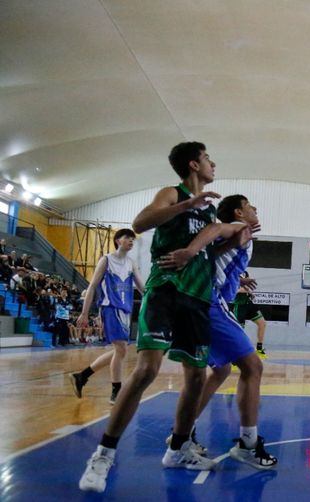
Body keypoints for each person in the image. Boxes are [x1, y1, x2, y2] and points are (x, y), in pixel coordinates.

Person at [78, 141, 221, 493]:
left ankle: (178, 449)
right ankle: (103, 455)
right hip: (166, 289)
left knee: (196, 377)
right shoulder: (173, 194)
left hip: (197, 297)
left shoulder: (210, 212)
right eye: (207, 158)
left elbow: (213, 241)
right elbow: (140, 222)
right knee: (146, 370)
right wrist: (186, 204)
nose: (213, 163)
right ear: (193, 164)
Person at [159, 194, 277, 468]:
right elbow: (214, 230)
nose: (255, 208)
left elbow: (214, 256)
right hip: (209, 304)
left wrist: (239, 279)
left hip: (200, 302)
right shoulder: (237, 227)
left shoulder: (240, 234)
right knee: (253, 367)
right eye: (249, 205)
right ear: (239, 212)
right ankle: (248, 444)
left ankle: (183, 433)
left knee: (221, 370)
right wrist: (190, 251)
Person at [69, 229, 145, 405]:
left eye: (133, 239)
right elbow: (92, 287)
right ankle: (116, 391)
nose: (131, 241)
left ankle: (82, 376)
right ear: (117, 240)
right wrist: (84, 313)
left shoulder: (131, 263)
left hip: (125, 310)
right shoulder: (106, 260)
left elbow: (143, 288)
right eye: (128, 238)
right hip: (110, 307)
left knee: (120, 351)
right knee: (121, 349)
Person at [231, 271, 269, 358]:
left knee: (262, 323)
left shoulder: (245, 272)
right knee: (239, 331)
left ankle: (259, 349)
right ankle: (235, 355)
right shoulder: (232, 272)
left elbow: (246, 286)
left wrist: (251, 293)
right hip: (239, 305)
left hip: (248, 304)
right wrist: (243, 290)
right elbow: (234, 289)